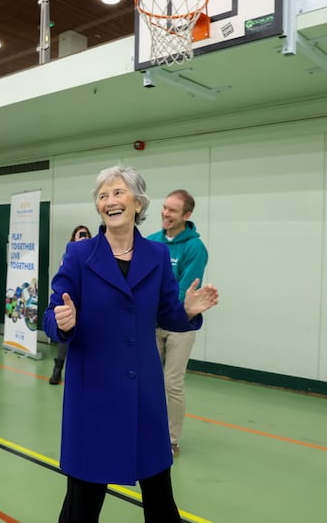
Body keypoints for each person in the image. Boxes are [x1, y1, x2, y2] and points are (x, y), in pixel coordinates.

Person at [43, 166, 218, 522]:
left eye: (118, 193)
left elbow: (167, 312)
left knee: (159, 498)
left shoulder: (154, 255)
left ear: (138, 202)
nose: (110, 201)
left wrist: (185, 311)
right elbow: (51, 314)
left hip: (143, 396)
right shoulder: (79, 255)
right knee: (82, 502)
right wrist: (62, 323)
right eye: (103, 196)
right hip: (93, 394)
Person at [147, 189, 208, 458]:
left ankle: (171, 439)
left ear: (187, 215)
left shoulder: (195, 248)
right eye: (164, 208)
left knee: (172, 383)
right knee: (147, 379)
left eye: (172, 210)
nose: (165, 213)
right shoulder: (151, 242)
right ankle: (147, 429)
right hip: (152, 324)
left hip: (180, 326)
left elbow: (185, 292)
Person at [48, 224, 91, 385]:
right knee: (65, 337)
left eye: (85, 234)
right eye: (79, 234)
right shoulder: (70, 255)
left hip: (88, 306)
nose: (83, 236)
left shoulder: (93, 253)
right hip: (70, 304)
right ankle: (57, 370)